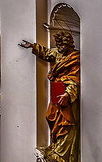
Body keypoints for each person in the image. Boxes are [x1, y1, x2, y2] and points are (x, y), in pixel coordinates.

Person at [21, 32, 80, 162]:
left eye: (60, 45)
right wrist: (32, 46)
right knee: (51, 117)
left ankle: (61, 154)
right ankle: (55, 146)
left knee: (65, 124)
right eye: (57, 45)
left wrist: (68, 94)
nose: (58, 47)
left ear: (67, 44)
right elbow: (47, 53)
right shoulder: (59, 53)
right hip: (57, 93)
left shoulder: (75, 58)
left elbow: (75, 80)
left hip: (67, 98)